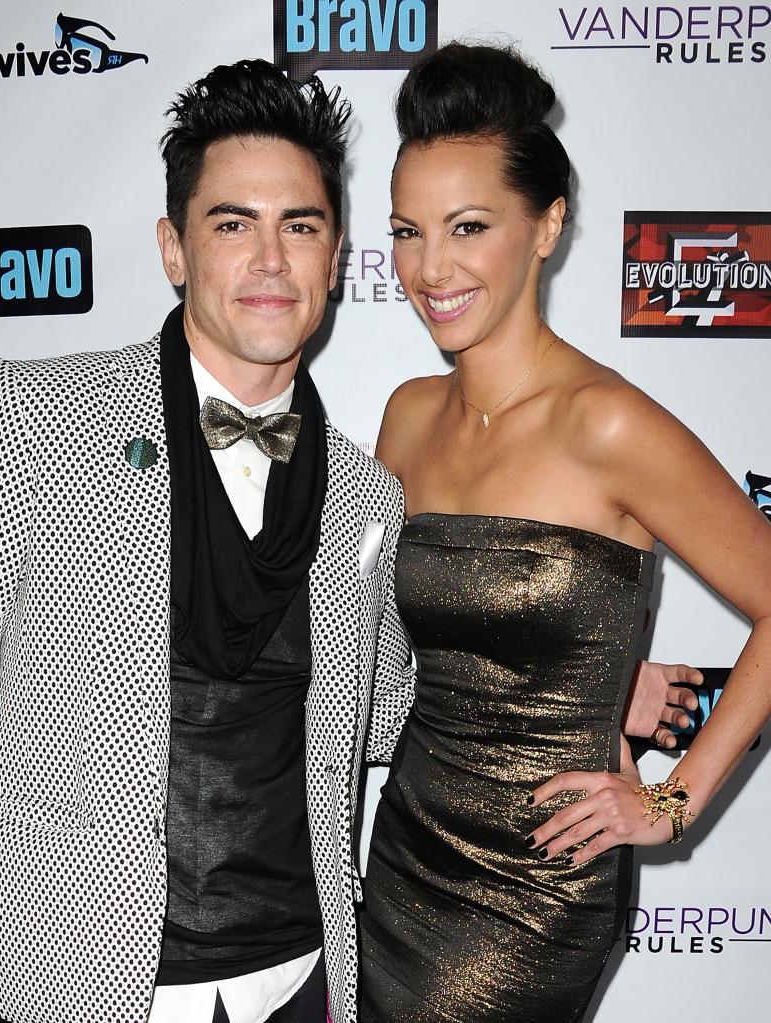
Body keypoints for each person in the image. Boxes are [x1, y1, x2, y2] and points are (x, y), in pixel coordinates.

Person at [0, 56, 694, 1023]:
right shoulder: (34, 419)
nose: (271, 261)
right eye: (231, 224)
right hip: (61, 981)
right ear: (173, 246)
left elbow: (389, 699)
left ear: (335, 258)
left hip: (298, 978)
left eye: (302, 226)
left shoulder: (368, 492)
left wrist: (579, 681)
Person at [358, 42, 771, 1023]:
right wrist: (597, 680)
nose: (431, 268)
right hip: (408, 844)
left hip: (541, 887)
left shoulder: (609, 425)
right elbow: (388, 650)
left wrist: (670, 805)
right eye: (406, 233)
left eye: (468, 228)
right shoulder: (406, 418)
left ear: (546, 226)